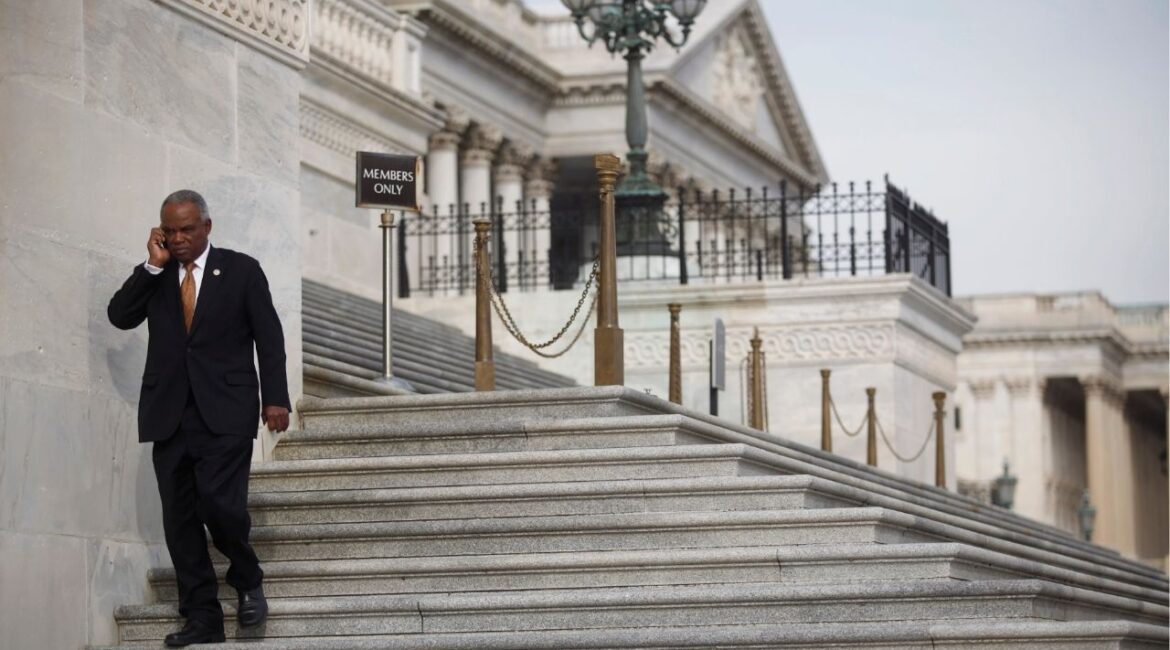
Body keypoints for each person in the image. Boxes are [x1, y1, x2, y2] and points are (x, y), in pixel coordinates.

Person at [108, 190, 290, 647]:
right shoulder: (158, 274)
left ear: (207, 227)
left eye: (187, 229)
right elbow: (119, 316)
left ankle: (247, 578)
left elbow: (268, 336)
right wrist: (152, 265)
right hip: (169, 412)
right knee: (180, 519)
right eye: (170, 230)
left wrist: (277, 399)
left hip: (226, 410)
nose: (179, 238)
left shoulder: (242, 270)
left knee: (221, 506)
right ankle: (202, 616)